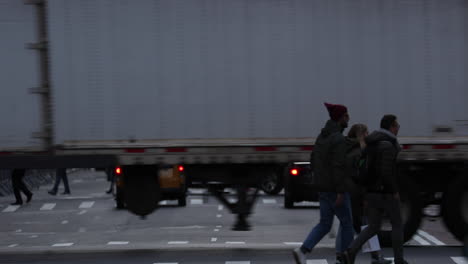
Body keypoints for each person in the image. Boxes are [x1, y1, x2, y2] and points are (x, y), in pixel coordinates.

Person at [293, 102, 354, 264]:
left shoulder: (322, 136)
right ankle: (344, 258)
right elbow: (338, 166)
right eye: (347, 115)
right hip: (335, 188)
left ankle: (303, 250)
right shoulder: (338, 139)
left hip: (322, 187)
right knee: (348, 223)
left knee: (325, 223)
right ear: (341, 118)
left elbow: (313, 159)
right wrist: (341, 191)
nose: (349, 118)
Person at [343, 115, 408, 264]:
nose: (398, 128)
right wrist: (394, 190)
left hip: (370, 192)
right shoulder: (388, 145)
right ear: (391, 127)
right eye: (396, 125)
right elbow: (386, 172)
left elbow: (362, 168)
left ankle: (350, 251)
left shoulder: (370, 143)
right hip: (385, 192)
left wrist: (365, 190)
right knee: (397, 224)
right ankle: (399, 259)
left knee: (372, 227)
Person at [338, 124, 391, 264]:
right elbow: (362, 175)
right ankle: (370, 257)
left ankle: (345, 256)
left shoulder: (346, 148)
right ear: (361, 135)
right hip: (357, 192)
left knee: (353, 224)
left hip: (347, 190)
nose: (369, 134)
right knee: (366, 225)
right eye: (366, 132)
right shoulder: (360, 152)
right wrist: (365, 193)